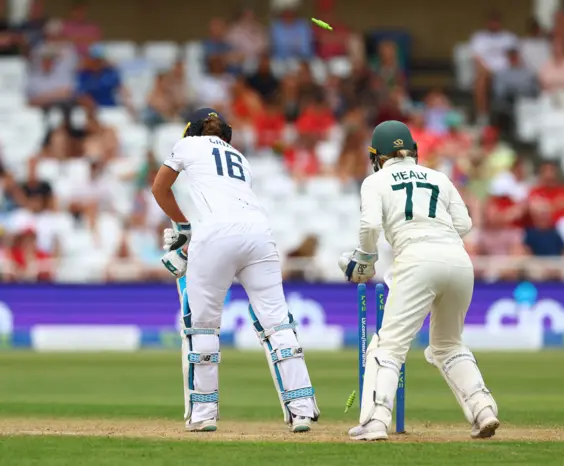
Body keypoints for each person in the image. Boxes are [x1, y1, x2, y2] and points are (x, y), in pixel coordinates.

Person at [151, 109, 320, 433]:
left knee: (202, 328)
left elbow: (160, 189)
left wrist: (184, 228)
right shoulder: (241, 159)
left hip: (215, 234)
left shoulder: (188, 145)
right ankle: (301, 410)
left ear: (192, 131)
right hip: (259, 233)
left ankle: (203, 416)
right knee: (277, 324)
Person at [339, 120, 498, 441]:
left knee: (388, 345)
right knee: (447, 344)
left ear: (378, 155)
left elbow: (370, 226)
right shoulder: (439, 177)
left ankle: (375, 421)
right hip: (458, 260)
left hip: (416, 260)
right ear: (413, 151)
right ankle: (483, 409)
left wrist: (365, 261)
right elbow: (464, 224)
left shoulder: (375, 181)